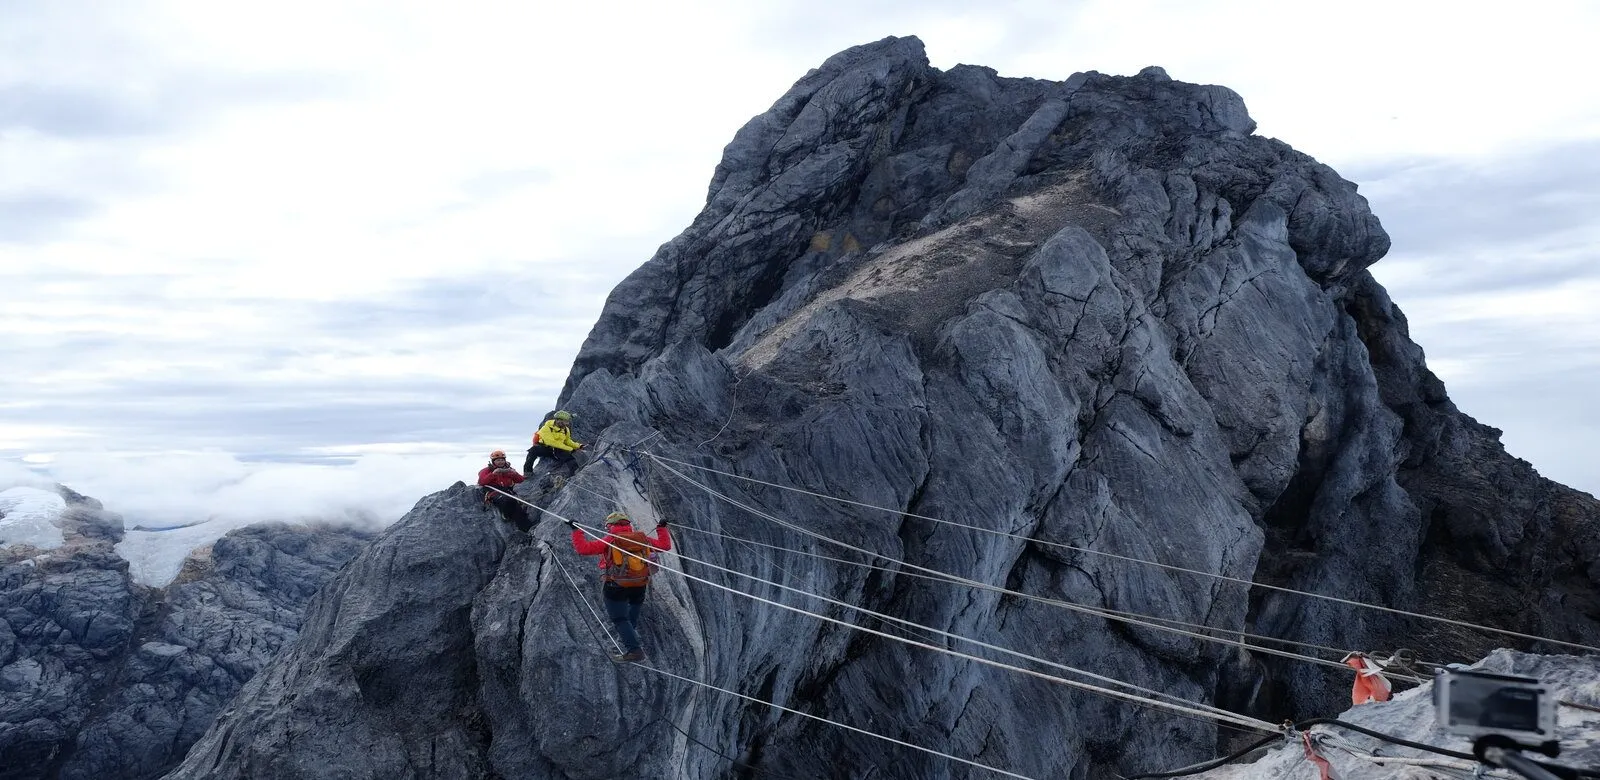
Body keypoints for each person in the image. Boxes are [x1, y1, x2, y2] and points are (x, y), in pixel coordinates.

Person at [568, 510, 670, 663]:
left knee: (619, 618)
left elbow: (584, 549)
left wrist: (577, 531)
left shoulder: (611, 539)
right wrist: (661, 528)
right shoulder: (642, 539)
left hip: (616, 585)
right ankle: (630, 636)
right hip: (640, 582)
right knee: (632, 612)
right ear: (628, 524)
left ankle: (634, 651)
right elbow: (665, 546)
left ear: (610, 525)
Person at [478, 450, 531, 532]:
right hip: (494, 492)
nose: (500, 462)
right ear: (493, 461)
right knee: (509, 501)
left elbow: (520, 480)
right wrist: (493, 474)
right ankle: (506, 515)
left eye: (502, 460)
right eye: (498, 460)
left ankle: (526, 530)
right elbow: (481, 482)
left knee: (520, 512)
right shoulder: (487, 470)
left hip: (507, 492)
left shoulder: (508, 470)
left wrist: (514, 474)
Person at [524, 409, 585, 478]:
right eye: (566, 421)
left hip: (558, 449)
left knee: (569, 457)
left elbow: (567, 441)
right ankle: (528, 472)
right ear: (558, 420)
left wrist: (579, 446)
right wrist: (570, 449)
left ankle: (574, 474)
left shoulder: (566, 429)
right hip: (545, 448)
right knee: (533, 450)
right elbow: (551, 442)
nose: (567, 424)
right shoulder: (546, 428)